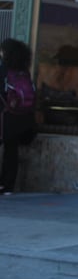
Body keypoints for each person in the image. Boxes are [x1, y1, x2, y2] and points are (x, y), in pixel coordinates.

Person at [0, 38, 35, 195]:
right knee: (11, 151)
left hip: (5, 117)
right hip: (23, 120)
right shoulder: (24, 72)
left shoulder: (4, 70)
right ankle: (8, 186)